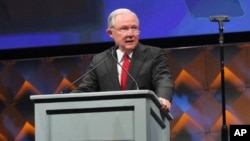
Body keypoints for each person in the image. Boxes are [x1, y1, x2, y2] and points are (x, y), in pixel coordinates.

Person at [72, 8, 174, 112]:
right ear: (110, 33)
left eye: (134, 28)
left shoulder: (154, 54)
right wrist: (60, 101)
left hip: (143, 116)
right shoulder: (100, 60)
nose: (130, 34)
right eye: (124, 29)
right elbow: (86, 89)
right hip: (110, 120)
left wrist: (163, 97)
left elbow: (163, 80)